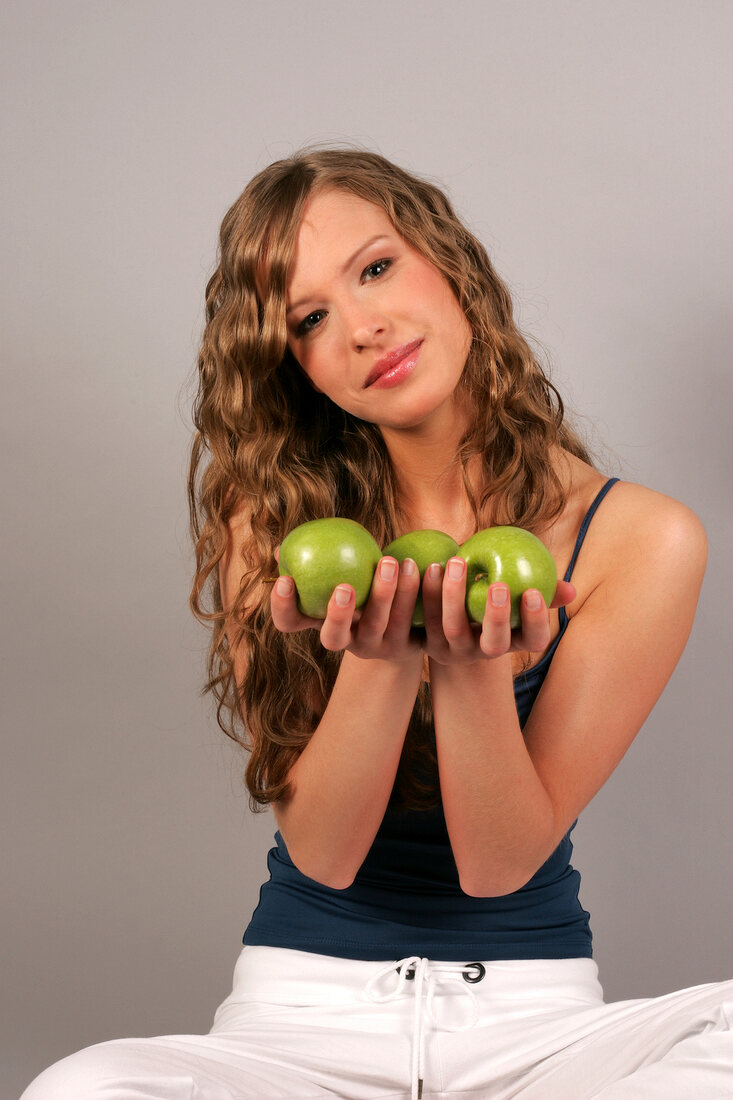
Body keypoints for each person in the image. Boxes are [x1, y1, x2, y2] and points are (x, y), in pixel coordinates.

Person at [21, 147, 733, 1099]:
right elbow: (321, 849)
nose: (363, 327)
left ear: (450, 264)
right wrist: (384, 659)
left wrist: (467, 665)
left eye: (376, 267)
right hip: (301, 1023)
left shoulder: (640, 538)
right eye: (310, 320)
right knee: (82, 1088)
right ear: (297, 369)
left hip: (535, 1031)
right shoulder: (268, 519)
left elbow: (497, 867)